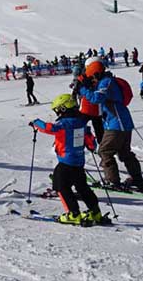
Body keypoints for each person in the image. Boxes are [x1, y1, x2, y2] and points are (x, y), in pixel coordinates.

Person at [76, 56, 143, 193]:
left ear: (96, 74)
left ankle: (113, 181)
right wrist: (86, 84)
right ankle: (137, 180)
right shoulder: (106, 81)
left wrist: (82, 89)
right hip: (121, 122)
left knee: (104, 151)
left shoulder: (106, 82)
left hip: (118, 124)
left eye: (92, 77)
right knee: (124, 153)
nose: (92, 80)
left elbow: (96, 98)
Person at [31, 94, 105, 226]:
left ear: (63, 109)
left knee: (61, 186)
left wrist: (36, 123)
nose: (57, 113)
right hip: (78, 162)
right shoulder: (81, 122)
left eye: (58, 110)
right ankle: (95, 212)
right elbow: (91, 143)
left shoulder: (64, 123)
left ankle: (73, 213)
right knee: (82, 187)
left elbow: (49, 128)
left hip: (66, 162)